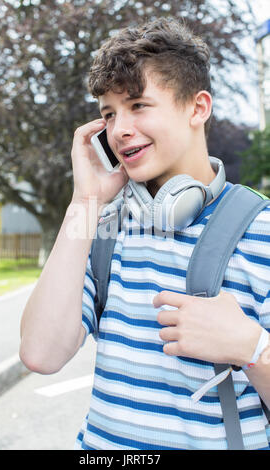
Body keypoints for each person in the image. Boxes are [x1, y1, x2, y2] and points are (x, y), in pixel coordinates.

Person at [20, 17, 270, 450]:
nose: (119, 130)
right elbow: (41, 354)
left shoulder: (261, 229)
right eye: (108, 114)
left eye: (138, 105)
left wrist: (250, 346)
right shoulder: (102, 228)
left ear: (198, 107)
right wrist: (85, 203)